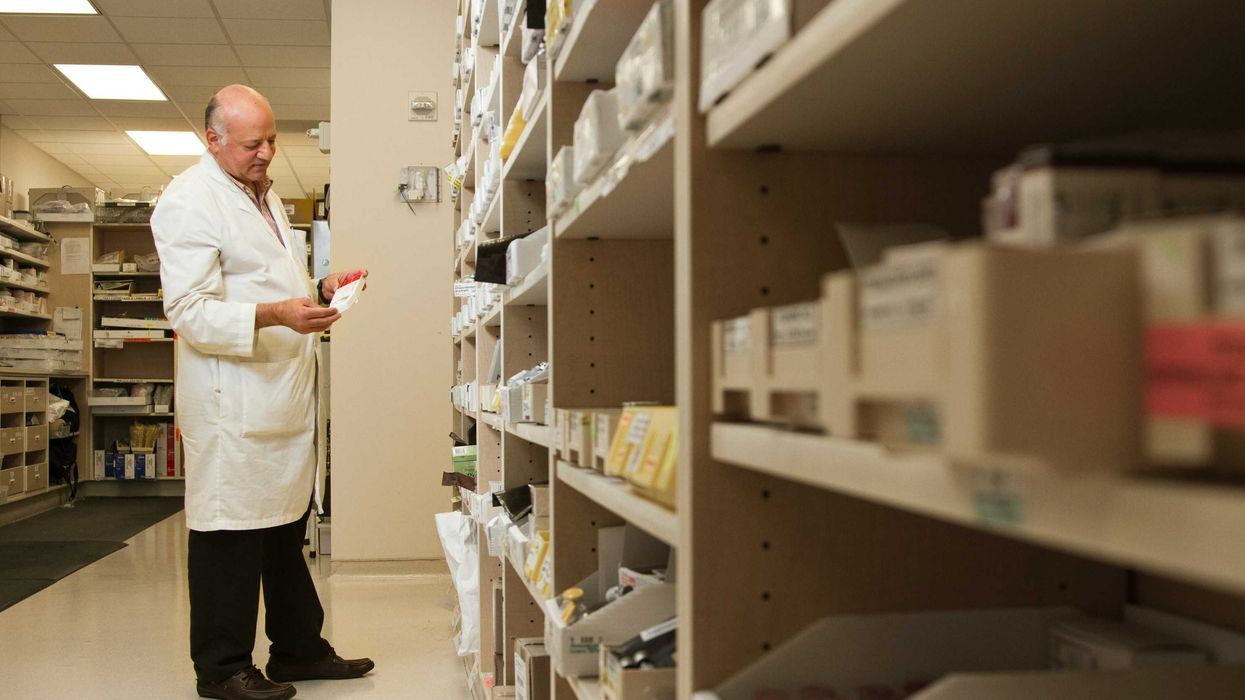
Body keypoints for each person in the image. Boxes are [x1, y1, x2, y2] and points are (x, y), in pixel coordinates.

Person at [152, 84, 372, 700]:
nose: (267, 153)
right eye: (253, 143)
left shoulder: (259, 194)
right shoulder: (190, 200)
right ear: (212, 139)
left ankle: (299, 650)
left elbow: (266, 279)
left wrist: (321, 290)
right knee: (228, 535)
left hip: (277, 394)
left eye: (272, 139)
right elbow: (190, 310)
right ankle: (221, 669)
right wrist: (278, 314)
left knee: (282, 530)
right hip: (233, 401)